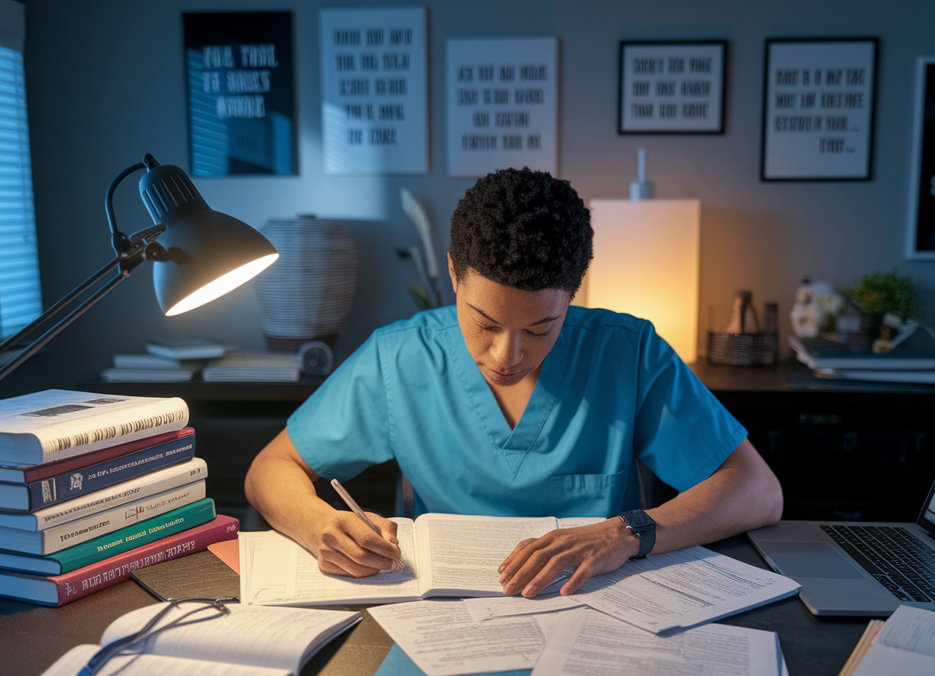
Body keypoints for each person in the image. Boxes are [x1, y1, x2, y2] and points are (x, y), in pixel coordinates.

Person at [244, 167, 782, 597]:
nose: (507, 355)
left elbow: (757, 490)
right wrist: (320, 525)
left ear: (572, 295)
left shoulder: (628, 352)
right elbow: (270, 468)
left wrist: (626, 532)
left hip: (596, 607)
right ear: (454, 275)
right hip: (443, 615)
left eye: (540, 328)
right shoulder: (400, 358)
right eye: (484, 323)